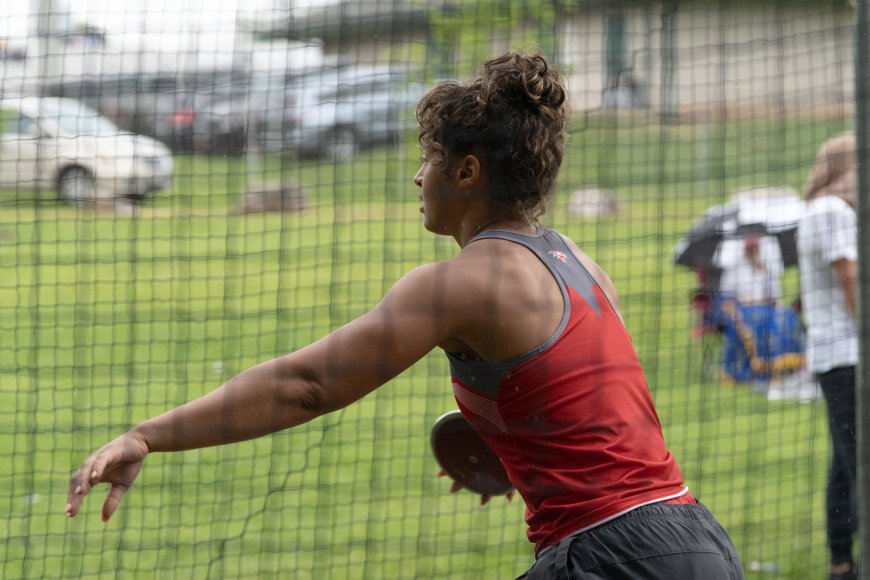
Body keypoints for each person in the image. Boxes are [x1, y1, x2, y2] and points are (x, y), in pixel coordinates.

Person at [65, 52, 743, 579]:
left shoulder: (458, 284)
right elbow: (596, 417)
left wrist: (148, 435)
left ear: (468, 172)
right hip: (693, 539)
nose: (419, 176)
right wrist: (517, 455)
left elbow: (307, 385)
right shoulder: (583, 265)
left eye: (430, 160)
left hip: (612, 558)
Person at [797, 131, 859, 580]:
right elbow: (850, 278)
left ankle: (841, 564)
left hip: (832, 353)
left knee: (845, 462)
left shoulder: (819, 210)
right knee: (860, 463)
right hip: (849, 354)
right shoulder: (833, 210)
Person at [712, 232, 806, 396]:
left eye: (755, 248)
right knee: (755, 321)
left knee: (788, 318)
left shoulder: (767, 270)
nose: (753, 251)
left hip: (768, 312)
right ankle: (757, 369)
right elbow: (726, 299)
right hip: (743, 313)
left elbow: (777, 299)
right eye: (750, 248)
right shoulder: (734, 270)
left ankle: (791, 365)